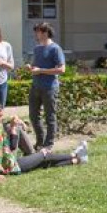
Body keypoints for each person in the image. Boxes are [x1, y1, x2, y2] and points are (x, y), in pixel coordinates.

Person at [0, 102, 87, 176]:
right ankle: (74, 154)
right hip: (9, 166)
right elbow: (7, 148)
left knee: (43, 163)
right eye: (0, 116)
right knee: (44, 155)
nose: (2, 118)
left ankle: (78, 160)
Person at [29, 22, 65, 150]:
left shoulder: (55, 48)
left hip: (49, 87)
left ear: (45, 32)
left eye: (37, 32)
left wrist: (41, 70)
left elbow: (61, 70)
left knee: (50, 116)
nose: (36, 34)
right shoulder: (37, 48)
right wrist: (31, 68)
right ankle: (40, 141)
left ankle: (48, 144)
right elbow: (36, 67)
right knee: (33, 116)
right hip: (35, 86)